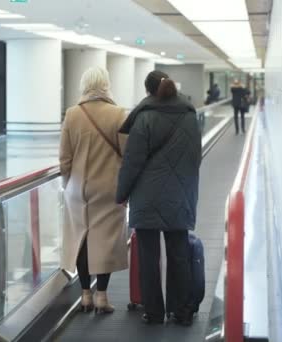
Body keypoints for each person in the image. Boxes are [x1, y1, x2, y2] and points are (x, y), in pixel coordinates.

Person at [116, 70, 202, 326]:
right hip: (180, 194)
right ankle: (182, 311)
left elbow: (132, 162)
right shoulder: (189, 116)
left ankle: (154, 312)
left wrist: (122, 194)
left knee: (148, 256)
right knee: (179, 254)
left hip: (147, 195)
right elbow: (195, 157)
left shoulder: (145, 118)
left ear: (148, 91)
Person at [59, 66, 128, 315]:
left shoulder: (72, 114)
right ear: (106, 84)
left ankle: (85, 294)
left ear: (84, 84)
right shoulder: (119, 114)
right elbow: (127, 155)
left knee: (82, 239)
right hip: (109, 188)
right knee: (105, 240)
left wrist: (69, 183)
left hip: (77, 189)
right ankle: (102, 297)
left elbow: (64, 158)